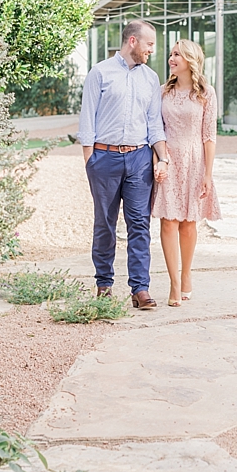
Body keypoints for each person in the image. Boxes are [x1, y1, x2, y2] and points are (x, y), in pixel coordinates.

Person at [77, 19, 169, 310]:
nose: (152, 50)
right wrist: (90, 161)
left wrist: (162, 157)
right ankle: (104, 285)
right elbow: (86, 120)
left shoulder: (151, 79)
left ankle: (140, 289)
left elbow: (155, 124)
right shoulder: (100, 73)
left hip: (140, 158)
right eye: (149, 44)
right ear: (133, 41)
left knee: (139, 224)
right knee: (104, 222)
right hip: (104, 158)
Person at [150, 39, 221, 306]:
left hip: (194, 161)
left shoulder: (206, 93)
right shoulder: (162, 92)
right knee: (168, 221)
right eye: (170, 54)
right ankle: (174, 283)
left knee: (189, 223)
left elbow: (209, 136)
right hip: (168, 159)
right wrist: (161, 160)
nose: (171, 58)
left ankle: (187, 273)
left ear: (190, 60)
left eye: (177, 54)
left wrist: (207, 174)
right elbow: (156, 130)